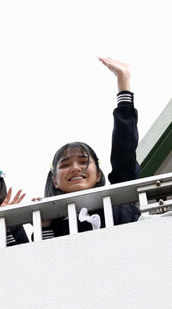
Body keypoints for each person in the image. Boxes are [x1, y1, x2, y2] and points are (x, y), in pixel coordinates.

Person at [40, 57, 140, 238]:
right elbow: (46, 254)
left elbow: (124, 150)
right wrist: (44, 225)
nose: (75, 168)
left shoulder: (118, 201)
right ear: (54, 181)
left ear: (99, 174)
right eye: (65, 165)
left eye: (83, 161)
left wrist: (123, 79)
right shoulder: (55, 223)